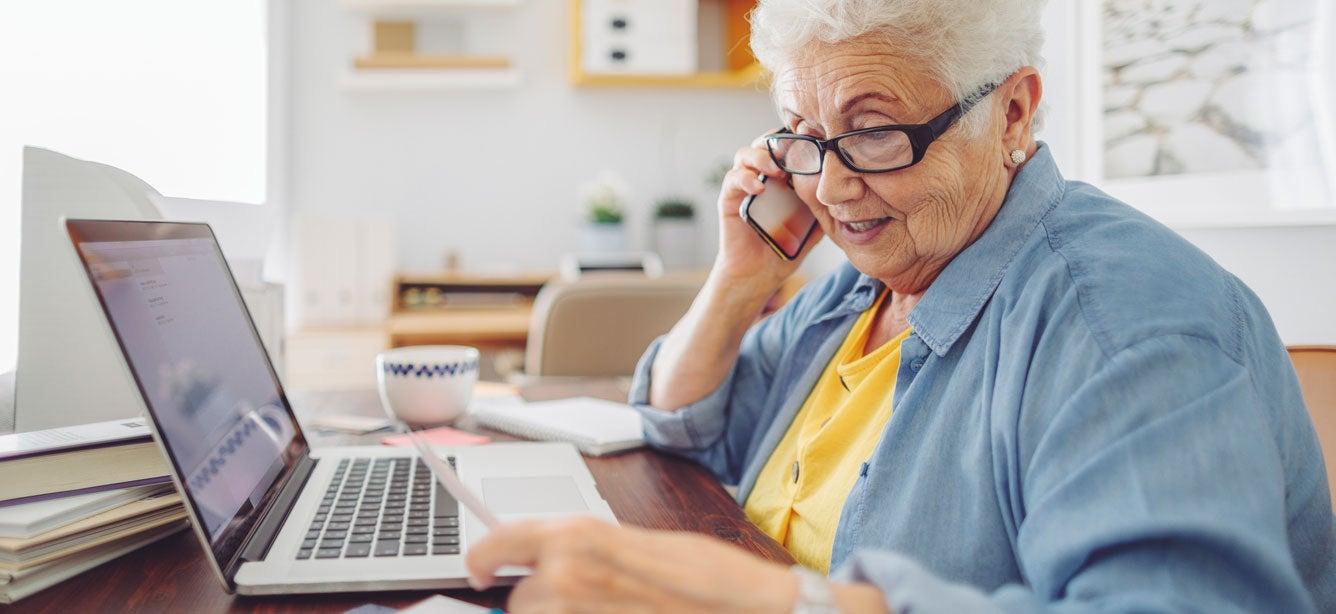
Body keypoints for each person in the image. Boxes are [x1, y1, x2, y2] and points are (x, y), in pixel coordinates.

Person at [465, 0, 1336, 611]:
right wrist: (738, 282)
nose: (832, 186)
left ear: (1013, 114)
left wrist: (784, 605)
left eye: (875, 131)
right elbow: (687, 428)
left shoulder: (1125, 327)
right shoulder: (864, 287)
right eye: (805, 135)